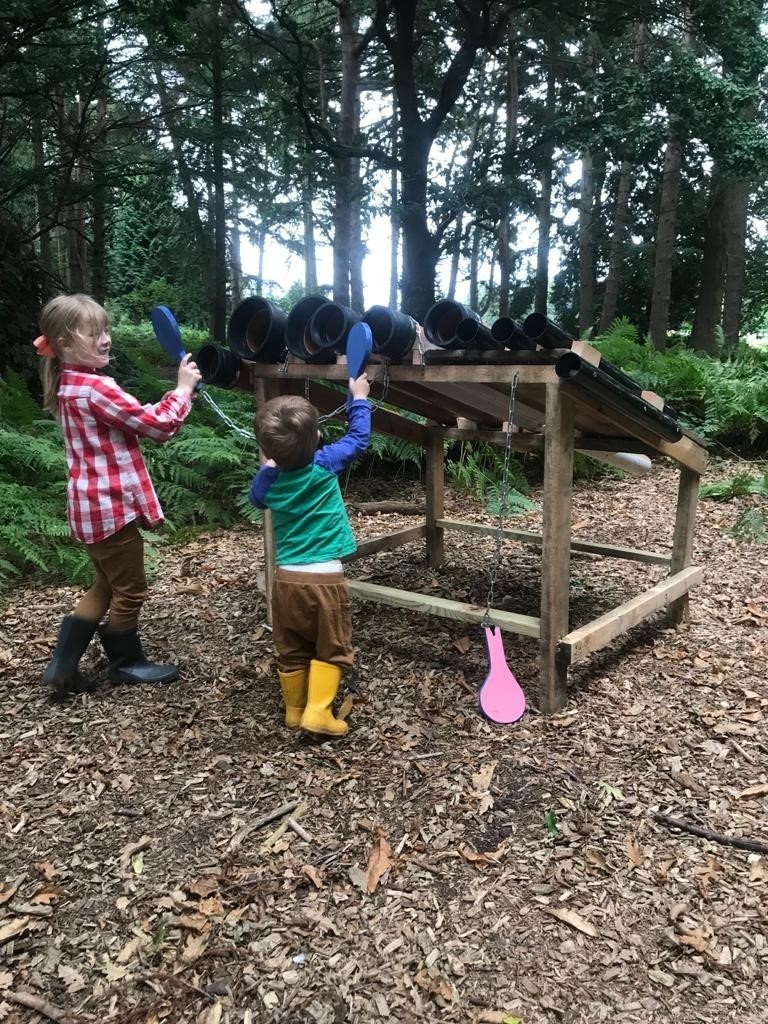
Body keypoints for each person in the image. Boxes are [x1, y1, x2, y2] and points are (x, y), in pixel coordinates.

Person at [34, 293, 202, 698]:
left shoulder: (69, 384)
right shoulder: (96, 388)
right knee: (130, 589)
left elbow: (128, 419)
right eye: (94, 333)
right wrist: (182, 390)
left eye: (106, 329)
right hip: (111, 511)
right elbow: (158, 426)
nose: (106, 339)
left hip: (88, 508)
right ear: (66, 344)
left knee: (105, 584)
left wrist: (172, 397)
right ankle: (126, 663)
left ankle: (62, 667)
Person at [250, 377, 371, 737]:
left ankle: (294, 709)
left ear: (266, 449)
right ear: (317, 438)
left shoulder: (268, 481)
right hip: (325, 578)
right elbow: (357, 439)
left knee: (291, 644)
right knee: (332, 645)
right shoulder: (324, 463)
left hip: (285, 579)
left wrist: (269, 466)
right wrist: (359, 398)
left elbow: (257, 498)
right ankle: (318, 712)